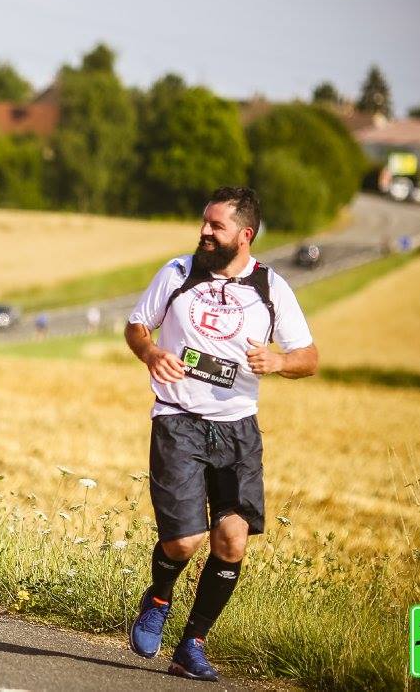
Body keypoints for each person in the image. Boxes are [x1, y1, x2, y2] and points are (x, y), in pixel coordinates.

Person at [124, 187, 318, 682]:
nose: (205, 232)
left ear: (245, 235)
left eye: (217, 226)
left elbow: (308, 357)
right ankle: (159, 598)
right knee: (184, 541)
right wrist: (151, 354)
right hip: (178, 419)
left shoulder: (271, 287)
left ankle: (192, 644)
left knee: (231, 541)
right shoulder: (177, 273)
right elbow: (136, 327)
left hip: (238, 429)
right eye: (204, 223)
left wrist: (279, 361)